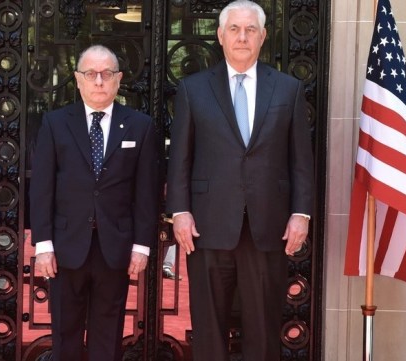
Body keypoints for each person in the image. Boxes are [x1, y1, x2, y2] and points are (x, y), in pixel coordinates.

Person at [166, 1, 314, 360]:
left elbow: (301, 160)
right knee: (208, 327)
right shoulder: (192, 89)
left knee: (263, 330)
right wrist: (179, 212)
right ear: (220, 36)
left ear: (263, 37)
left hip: (268, 227)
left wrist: (302, 214)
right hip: (207, 225)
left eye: (250, 30)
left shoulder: (288, 89)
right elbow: (180, 158)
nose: (242, 37)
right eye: (234, 29)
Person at [30, 44, 158, 361]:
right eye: (91, 74)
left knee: (108, 332)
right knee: (65, 332)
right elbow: (43, 188)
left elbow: (147, 191)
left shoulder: (141, 126)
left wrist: (142, 245)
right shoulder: (55, 123)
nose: (99, 81)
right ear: (78, 79)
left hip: (115, 248)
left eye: (106, 74)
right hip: (65, 246)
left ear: (118, 79)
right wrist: (43, 244)